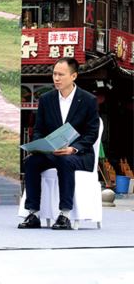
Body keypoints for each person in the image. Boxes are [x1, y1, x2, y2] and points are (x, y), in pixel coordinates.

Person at [19, 57, 100, 230]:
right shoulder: (46, 99)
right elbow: (38, 129)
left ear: (73, 76)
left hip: (78, 155)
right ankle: (33, 213)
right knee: (31, 162)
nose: (56, 78)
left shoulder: (88, 100)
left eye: (61, 75)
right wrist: (41, 146)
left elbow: (91, 133)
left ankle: (64, 214)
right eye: (54, 74)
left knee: (65, 161)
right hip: (51, 153)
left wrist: (73, 149)